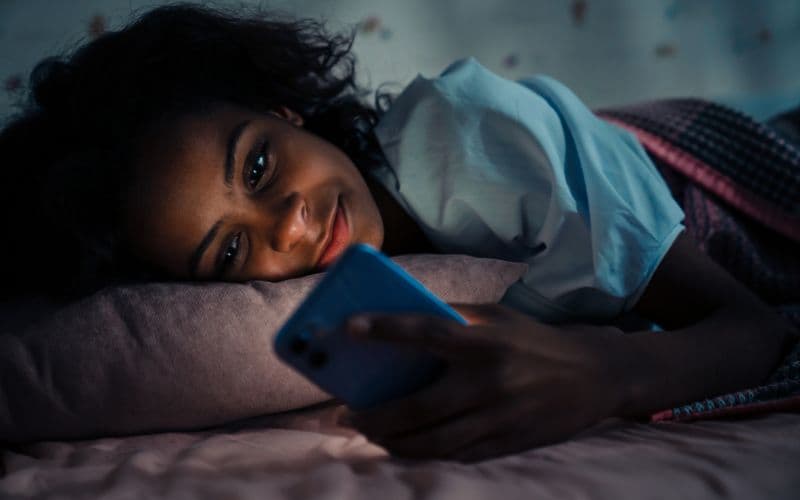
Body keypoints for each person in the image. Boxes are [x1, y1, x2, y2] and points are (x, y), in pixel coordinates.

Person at [0, 4, 796, 462]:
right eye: (233, 250)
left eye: (258, 167)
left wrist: (606, 372)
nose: (286, 220)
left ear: (286, 112)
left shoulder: (468, 138)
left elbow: (751, 327)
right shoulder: (354, 320)